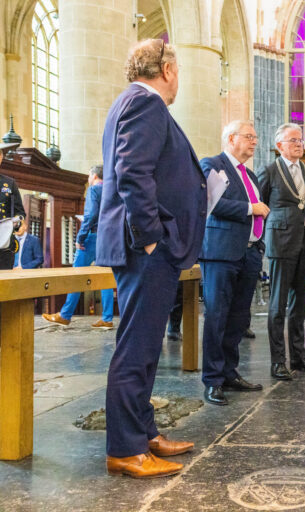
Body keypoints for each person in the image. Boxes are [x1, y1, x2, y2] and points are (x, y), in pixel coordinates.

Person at [97, 39, 206, 478]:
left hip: (145, 245)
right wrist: (150, 237)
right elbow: (131, 171)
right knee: (136, 347)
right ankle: (125, 448)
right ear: (167, 68)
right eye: (177, 70)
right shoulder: (146, 103)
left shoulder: (136, 102)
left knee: (144, 347)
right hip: (144, 247)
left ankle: (143, 433)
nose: (178, 79)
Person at [199, 120, 270, 406]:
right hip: (220, 252)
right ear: (231, 138)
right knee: (217, 316)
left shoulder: (250, 175)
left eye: (255, 137)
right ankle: (213, 380)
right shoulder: (212, 164)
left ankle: (230, 372)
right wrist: (249, 208)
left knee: (239, 318)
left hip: (249, 253)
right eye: (249, 136)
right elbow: (210, 203)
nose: (254, 141)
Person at [257, 123, 305, 380]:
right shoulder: (269, 172)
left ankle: (298, 355)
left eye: (301, 140)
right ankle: (278, 361)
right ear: (279, 145)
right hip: (281, 242)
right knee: (278, 305)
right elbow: (261, 207)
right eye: (293, 140)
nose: (299, 144)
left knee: (301, 304)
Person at [43, 165, 115, 329]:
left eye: (89, 176)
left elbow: (90, 215)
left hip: (92, 237)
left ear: (94, 176)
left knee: (76, 275)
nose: (88, 179)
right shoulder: (112, 190)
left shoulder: (93, 190)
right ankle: (107, 318)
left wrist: (80, 237)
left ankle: (65, 315)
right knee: (106, 277)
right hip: (108, 238)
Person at [0, 152, 25, 270]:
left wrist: (19, 224)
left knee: (4, 284)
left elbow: (19, 211)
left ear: (1, 158)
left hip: (4, 245)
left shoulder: (10, 183)